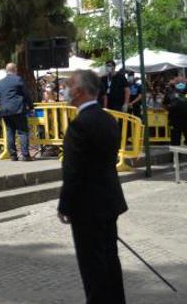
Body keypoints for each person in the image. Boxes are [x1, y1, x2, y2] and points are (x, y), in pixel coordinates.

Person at [58, 69, 128, 304]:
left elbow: (73, 171)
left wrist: (65, 205)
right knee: (109, 259)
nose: (66, 89)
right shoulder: (108, 118)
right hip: (109, 200)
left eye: (69, 85)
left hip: (87, 206)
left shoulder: (79, 125)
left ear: (79, 91)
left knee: (92, 266)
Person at [0, 62, 33, 161]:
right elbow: (26, 94)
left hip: (4, 110)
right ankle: (25, 155)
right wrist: (31, 106)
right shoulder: (18, 80)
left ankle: (13, 155)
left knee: (10, 132)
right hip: (17, 109)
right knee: (23, 132)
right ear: (15, 69)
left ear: (6, 70)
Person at [162, 78, 187, 147]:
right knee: (175, 141)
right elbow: (164, 104)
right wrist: (171, 109)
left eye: (182, 82)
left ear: (185, 83)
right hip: (174, 119)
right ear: (175, 83)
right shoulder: (170, 93)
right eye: (178, 82)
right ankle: (175, 156)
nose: (180, 83)